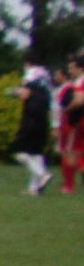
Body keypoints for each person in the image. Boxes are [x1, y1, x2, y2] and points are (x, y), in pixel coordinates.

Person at [11, 64, 55, 196]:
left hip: (30, 123)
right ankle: (34, 188)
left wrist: (15, 92)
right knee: (36, 155)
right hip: (43, 124)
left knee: (18, 151)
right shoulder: (46, 89)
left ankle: (43, 174)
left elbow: (24, 95)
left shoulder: (31, 84)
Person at [56, 55, 84, 195]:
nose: (70, 71)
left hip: (79, 122)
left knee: (70, 153)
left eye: (72, 68)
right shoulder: (75, 82)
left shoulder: (80, 82)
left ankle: (68, 186)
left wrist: (66, 109)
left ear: (80, 68)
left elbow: (79, 101)